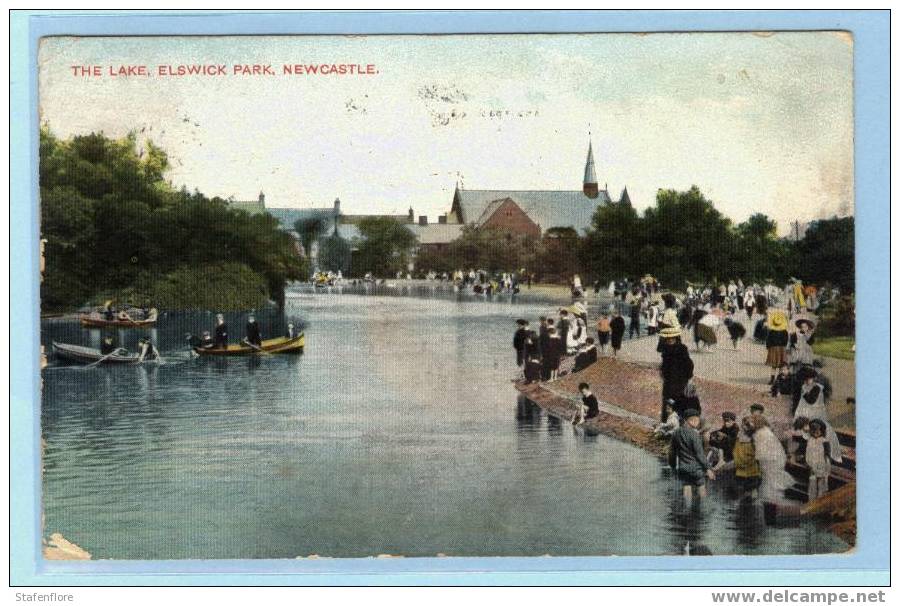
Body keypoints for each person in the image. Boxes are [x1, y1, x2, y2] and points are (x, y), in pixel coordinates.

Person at [750, 414, 793, 525]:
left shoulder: (760, 434)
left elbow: (760, 453)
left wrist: (757, 463)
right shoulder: (767, 432)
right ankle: (771, 520)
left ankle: (769, 521)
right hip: (774, 463)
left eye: (752, 422)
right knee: (771, 491)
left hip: (769, 464)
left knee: (768, 491)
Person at [668, 409, 715, 504]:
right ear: (691, 421)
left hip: (683, 468)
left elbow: (672, 452)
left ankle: (687, 509)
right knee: (701, 487)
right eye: (697, 420)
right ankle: (703, 509)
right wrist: (708, 469)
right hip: (696, 468)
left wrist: (673, 466)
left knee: (687, 487)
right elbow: (699, 454)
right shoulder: (694, 435)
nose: (698, 423)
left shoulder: (676, 433)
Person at [659, 327, 694, 422]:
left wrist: (689, 377)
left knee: (678, 402)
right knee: (668, 403)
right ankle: (666, 423)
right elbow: (664, 364)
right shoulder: (665, 349)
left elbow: (689, 364)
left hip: (679, 381)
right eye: (668, 338)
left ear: (676, 338)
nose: (670, 340)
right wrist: (662, 372)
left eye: (672, 338)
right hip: (669, 381)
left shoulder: (682, 349)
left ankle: (678, 423)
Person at [733, 416, 762, 499]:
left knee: (751, 485)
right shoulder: (741, 435)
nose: (743, 427)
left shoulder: (754, 437)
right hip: (743, 465)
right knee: (746, 486)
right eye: (744, 425)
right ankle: (748, 498)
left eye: (746, 425)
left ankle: (751, 498)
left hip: (750, 466)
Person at [805, 419, 832, 502]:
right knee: (812, 482)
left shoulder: (824, 441)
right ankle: (811, 500)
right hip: (812, 464)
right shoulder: (810, 440)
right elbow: (808, 452)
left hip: (821, 464)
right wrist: (808, 463)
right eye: (813, 432)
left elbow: (827, 454)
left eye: (817, 432)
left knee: (821, 482)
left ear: (822, 431)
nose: (815, 434)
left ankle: (820, 499)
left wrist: (827, 465)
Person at [765, 311, 790, 385]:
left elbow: (768, 340)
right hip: (781, 349)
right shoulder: (784, 331)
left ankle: (772, 379)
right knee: (780, 365)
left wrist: (769, 348)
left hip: (773, 349)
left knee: (774, 365)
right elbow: (786, 341)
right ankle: (778, 379)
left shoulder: (771, 331)